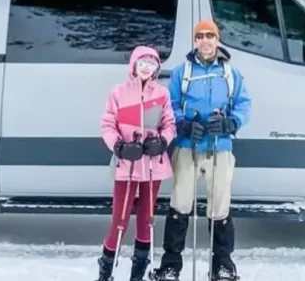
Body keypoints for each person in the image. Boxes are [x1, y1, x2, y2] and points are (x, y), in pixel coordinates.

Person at [150, 20, 252, 281]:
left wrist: (230, 123)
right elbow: (170, 104)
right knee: (180, 203)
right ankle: (171, 265)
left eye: (210, 36)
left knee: (220, 206)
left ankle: (222, 264)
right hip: (188, 147)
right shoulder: (182, 72)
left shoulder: (230, 74)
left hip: (220, 148)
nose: (205, 41)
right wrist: (184, 124)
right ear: (195, 41)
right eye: (200, 36)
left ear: (217, 40)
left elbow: (243, 104)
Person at [97, 45, 177, 281]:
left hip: (153, 167)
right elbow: (107, 125)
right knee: (119, 221)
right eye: (142, 63)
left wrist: (162, 141)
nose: (146, 68)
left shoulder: (161, 94)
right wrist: (119, 146)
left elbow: (169, 123)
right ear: (133, 65)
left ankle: (137, 274)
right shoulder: (118, 92)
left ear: (156, 69)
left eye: (151, 64)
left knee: (146, 220)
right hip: (127, 166)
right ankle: (106, 272)